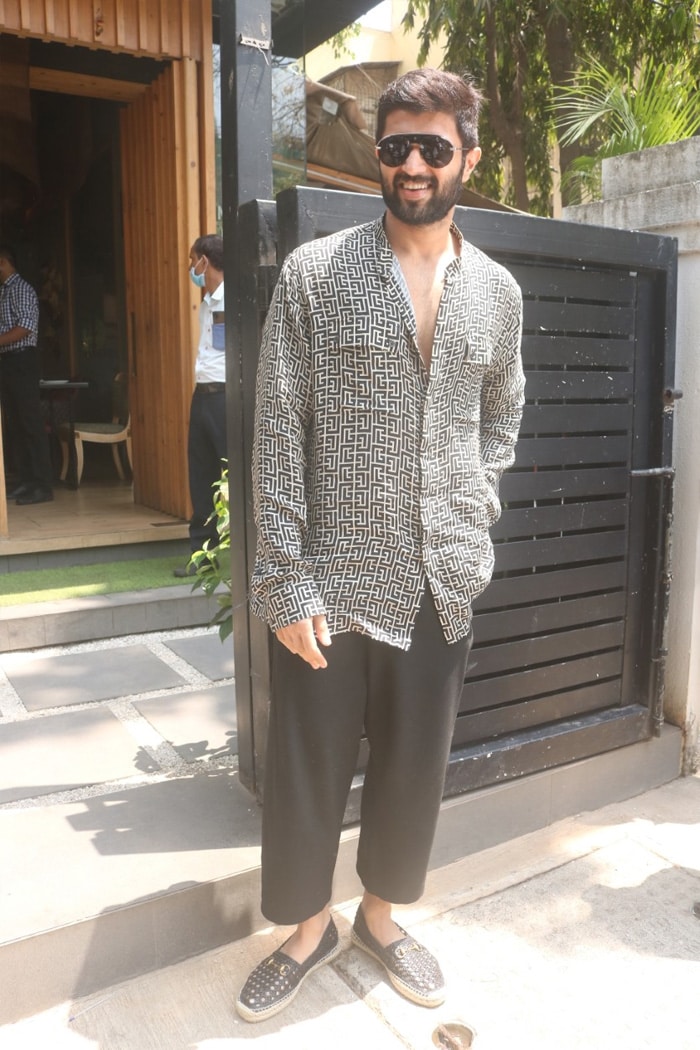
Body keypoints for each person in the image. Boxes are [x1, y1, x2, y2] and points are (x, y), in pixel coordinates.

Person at [236, 68, 525, 1022]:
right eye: (395, 145)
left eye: (432, 147)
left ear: (467, 161)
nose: (410, 163)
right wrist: (284, 581)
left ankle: (383, 919)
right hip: (331, 573)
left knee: (414, 765)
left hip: (441, 574)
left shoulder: (498, 293)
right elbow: (277, 431)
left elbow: (502, 415)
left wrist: (475, 509)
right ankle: (306, 929)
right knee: (310, 765)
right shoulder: (318, 273)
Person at [174, 234, 227, 577]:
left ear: (206, 261)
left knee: (232, 475)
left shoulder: (231, 298)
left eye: (194, 260)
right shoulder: (208, 301)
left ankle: (244, 552)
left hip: (226, 396)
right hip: (202, 395)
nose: (192, 267)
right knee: (201, 474)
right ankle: (202, 555)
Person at [0, 244, 54, 505]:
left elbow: (25, 327)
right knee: (16, 425)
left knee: (31, 423)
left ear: (3, 262)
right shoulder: (3, 291)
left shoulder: (21, 288)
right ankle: (27, 481)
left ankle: (43, 485)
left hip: (22, 361)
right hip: (8, 363)